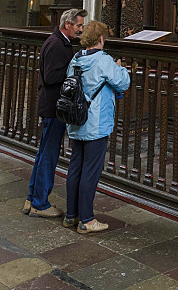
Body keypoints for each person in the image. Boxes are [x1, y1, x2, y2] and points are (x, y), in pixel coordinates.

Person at [63, 21, 130, 234]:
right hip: (96, 123)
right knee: (90, 172)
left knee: (75, 168)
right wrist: (121, 68)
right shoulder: (104, 61)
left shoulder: (76, 59)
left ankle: (71, 215)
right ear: (101, 39)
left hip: (76, 119)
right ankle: (87, 220)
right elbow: (123, 83)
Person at [23, 7, 87, 217]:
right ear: (67, 24)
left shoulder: (60, 42)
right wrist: (75, 72)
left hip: (52, 106)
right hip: (53, 107)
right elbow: (51, 77)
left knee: (44, 153)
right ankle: (40, 204)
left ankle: (32, 198)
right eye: (78, 25)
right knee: (49, 155)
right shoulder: (56, 44)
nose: (81, 29)